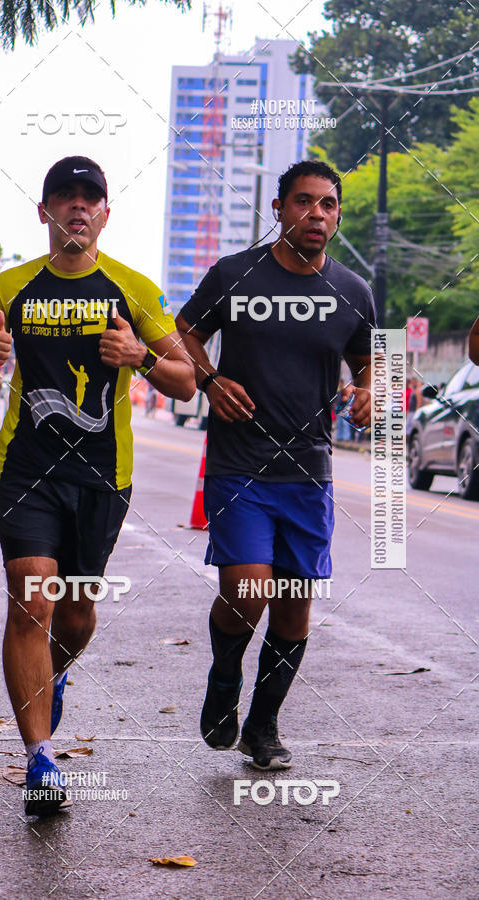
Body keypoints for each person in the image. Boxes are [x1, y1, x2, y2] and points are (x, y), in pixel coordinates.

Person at [0, 156, 194, 815]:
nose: (77, 208)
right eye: (64, 198)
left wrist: (141, 357)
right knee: (31, 598)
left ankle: (57, 671)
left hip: (102, 475)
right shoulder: (9, 287)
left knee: (73, 611)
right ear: (43, 212)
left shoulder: (133, 288)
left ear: (104, 212)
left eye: (88, 199)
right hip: (25, 468)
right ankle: (41, 759)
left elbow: (185, 379)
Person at [176, 160, 376, 771]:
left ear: (337, 217)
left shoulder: (353, 291)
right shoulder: (236, 275)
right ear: (279, 209)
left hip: (310, 472)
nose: (316, 215)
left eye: (328, 206)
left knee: (293, 604)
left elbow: (372, 361)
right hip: (240, 466)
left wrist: (368, 389)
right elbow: (183, 328)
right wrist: (210, 380)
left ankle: (263, 726)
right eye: (303, 202)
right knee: (248, 589)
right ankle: (225, 673)